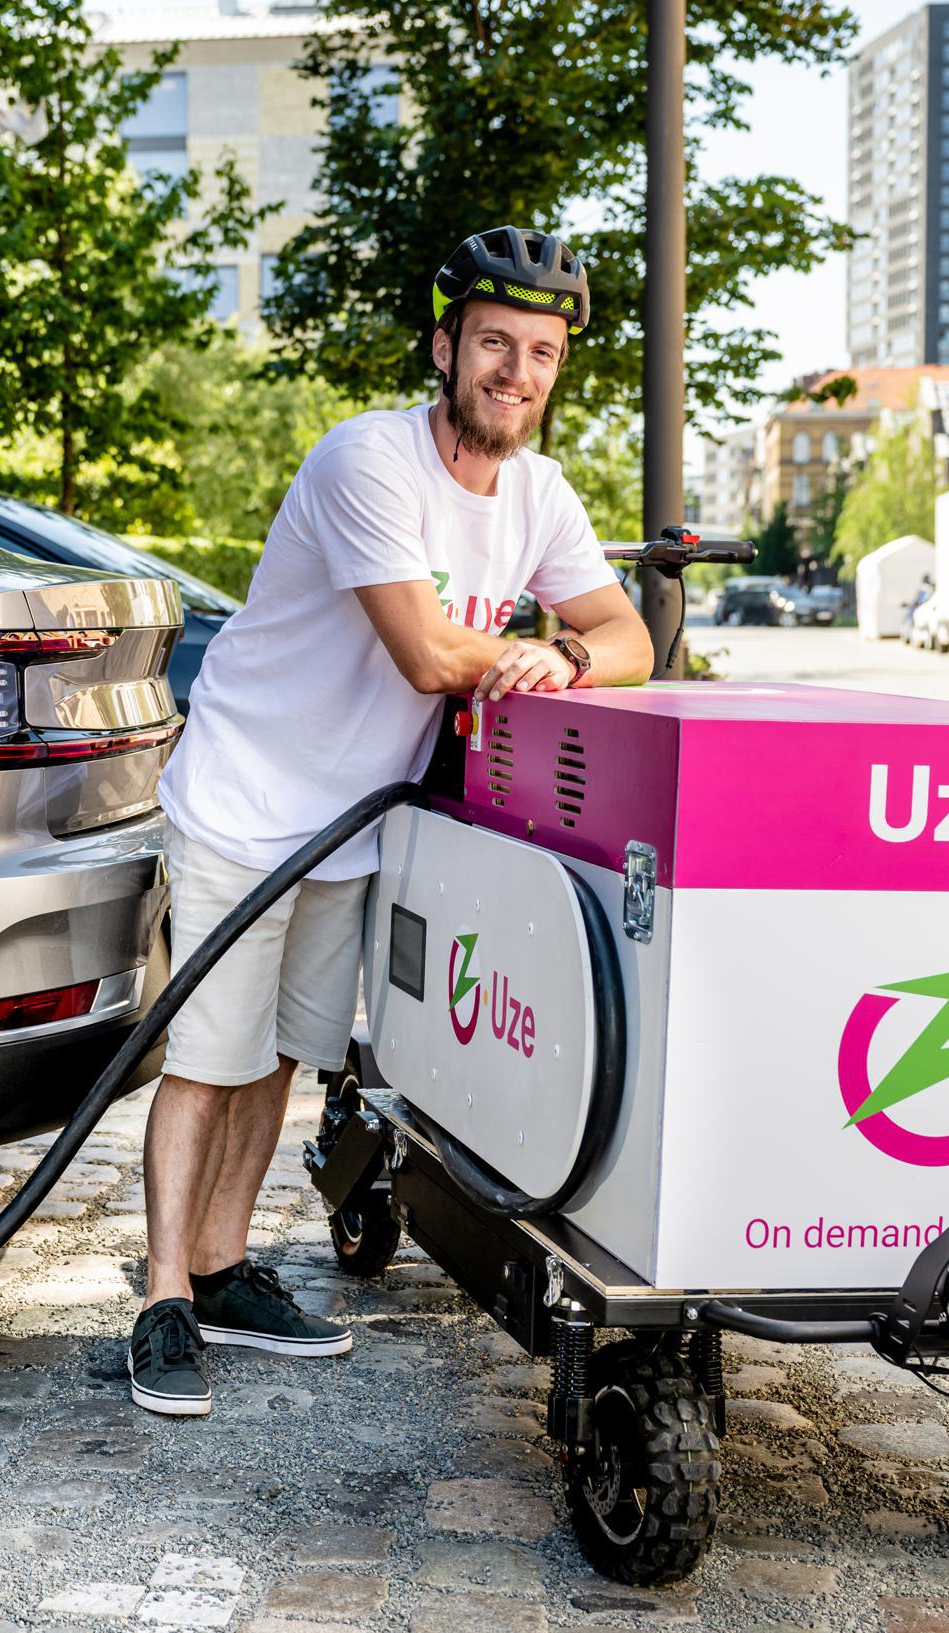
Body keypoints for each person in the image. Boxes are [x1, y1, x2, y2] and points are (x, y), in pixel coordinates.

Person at [129, 227, 654, 1416]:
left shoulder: (540, 490)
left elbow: (631, 639)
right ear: (445, 348)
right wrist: (536, 657)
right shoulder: (366, 461)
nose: (514, 371)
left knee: (278, 1056)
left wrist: (561, 655)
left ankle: (220, 1270)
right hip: (246, 802)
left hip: (353, 827)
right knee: (208, 1059)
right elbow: (426, 652)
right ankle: (161, 1297)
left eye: (539, 352)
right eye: (492, 345)